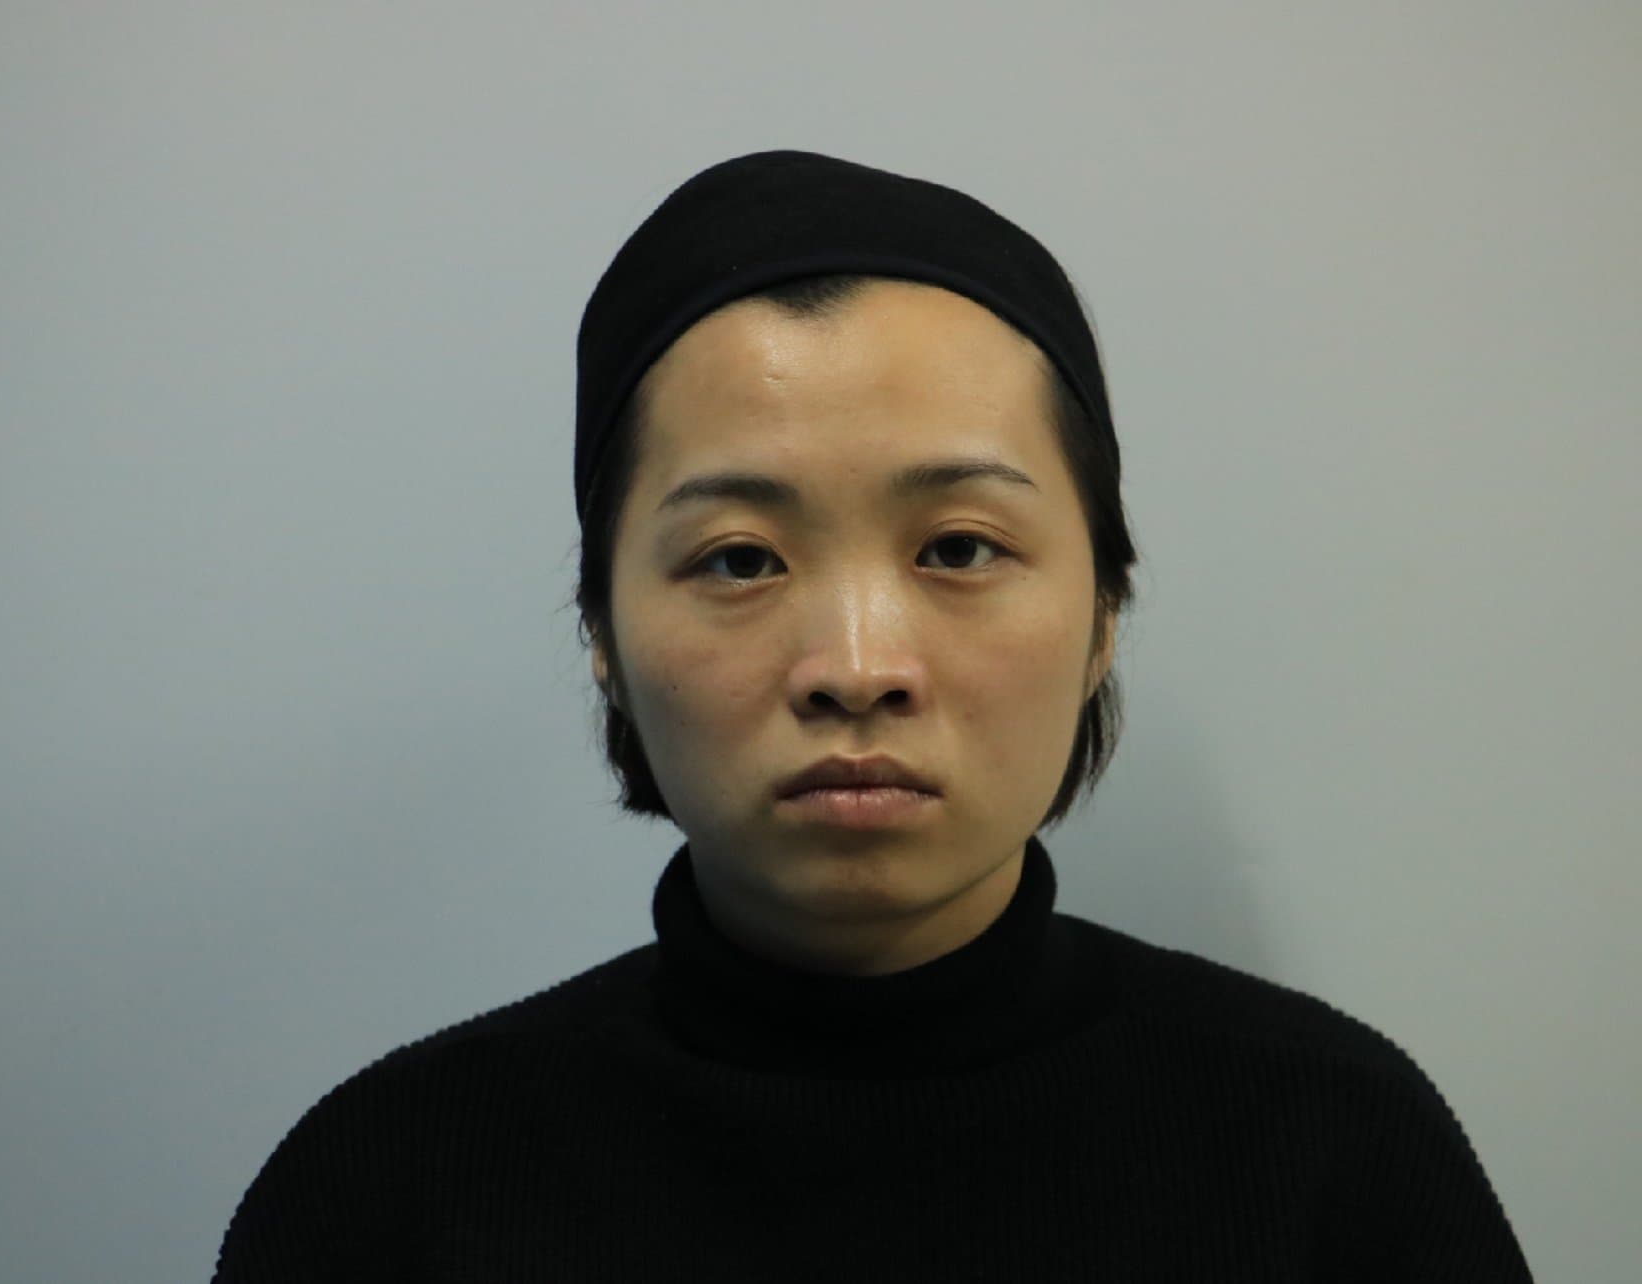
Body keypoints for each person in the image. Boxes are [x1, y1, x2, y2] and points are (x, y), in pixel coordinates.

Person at [211, 149, 1534, 1282]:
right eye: (740, 559)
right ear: (601, 634)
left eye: (959, 548)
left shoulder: (1335, 1158)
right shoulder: (385, 1195)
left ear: (1103, 616)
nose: (856, 667)